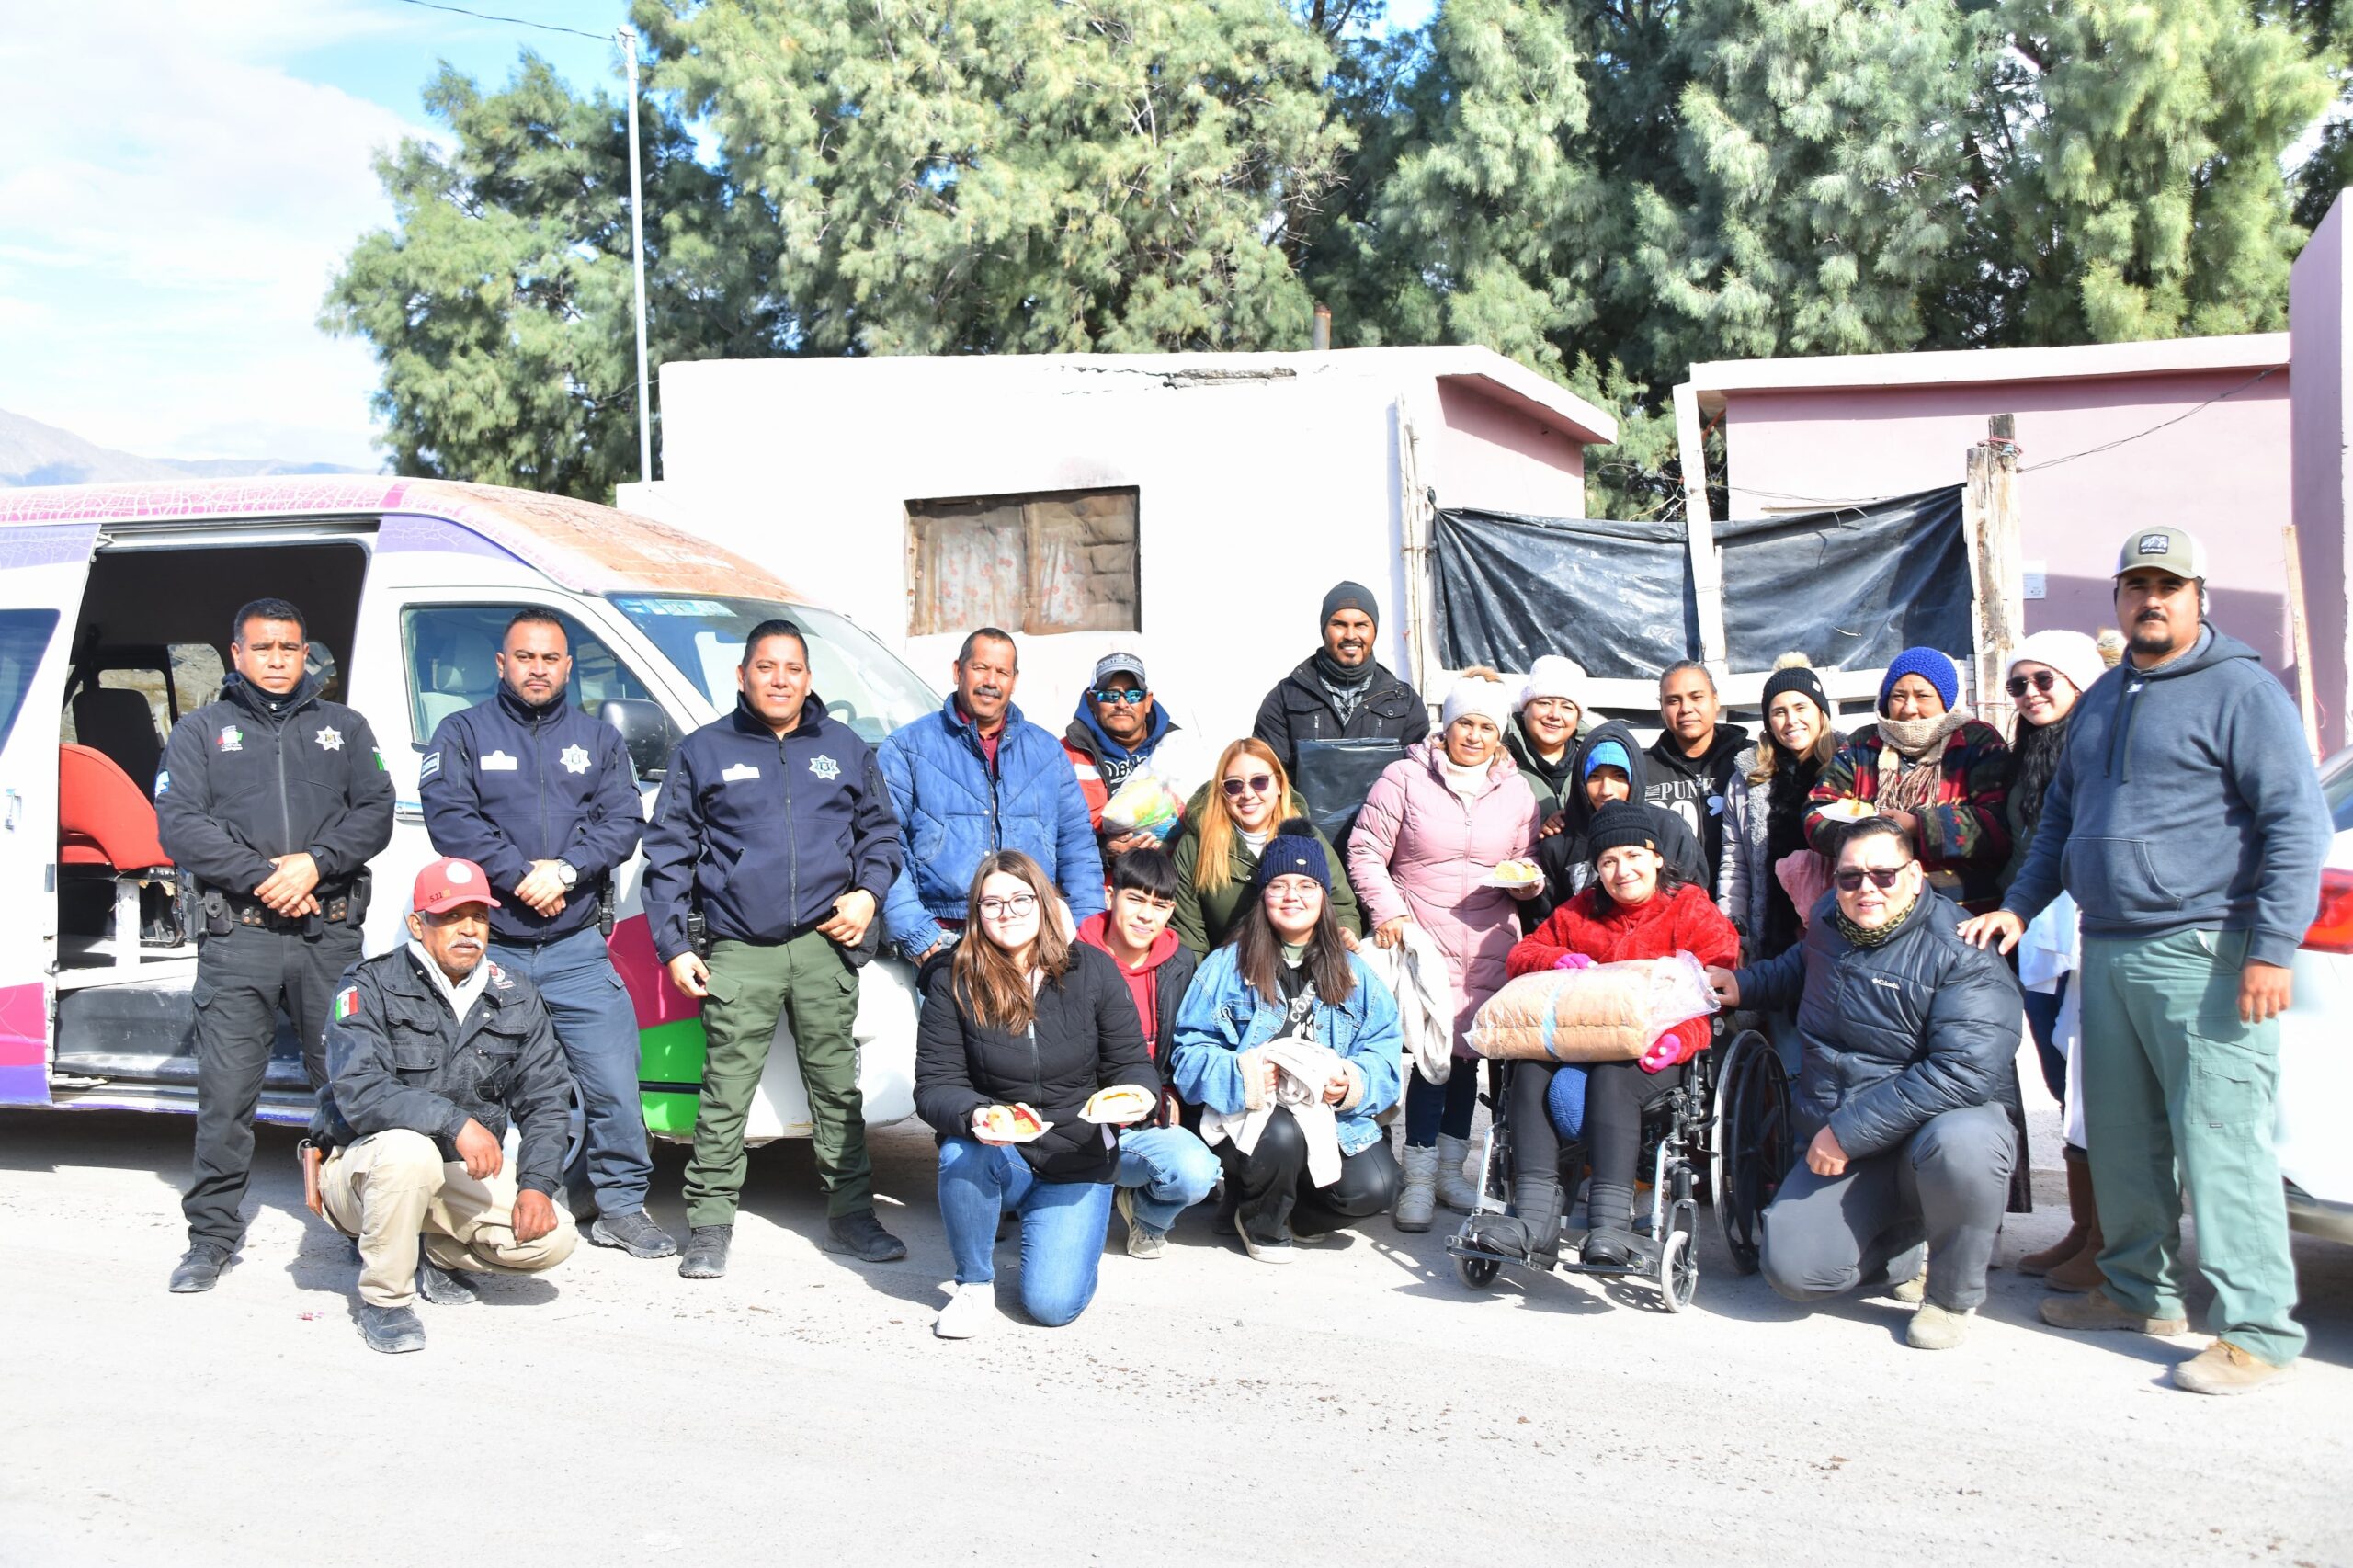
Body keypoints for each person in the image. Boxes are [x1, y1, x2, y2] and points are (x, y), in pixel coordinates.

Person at [1962, 528, 2331, 1395]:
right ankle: (2138, 1291)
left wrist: (2270, 949)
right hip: (2111, 946)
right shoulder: (2107, 697)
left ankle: (2257, 1330)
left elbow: (2296, 827)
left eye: (2168, 586)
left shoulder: (2241, 690)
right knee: (2122, 1140)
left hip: (2209, 948)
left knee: (2221, 1146)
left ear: (2199, 596)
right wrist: (2020, 905)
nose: (2151, 601)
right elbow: (2059, 820)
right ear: (2120, 599)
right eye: (2137, 586)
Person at [642, 619, 907, 1279]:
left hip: (825, 943)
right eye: (766, 667)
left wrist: (868, 896)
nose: (779, 679)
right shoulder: (704, 751)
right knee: (725, 1090)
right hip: (739, 947)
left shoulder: (845, 748)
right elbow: (668, 854)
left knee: (836, 1090)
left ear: (809, 678)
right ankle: (707, 1223)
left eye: (792, 668)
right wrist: (674, 945)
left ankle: (852, 1215)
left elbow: (881, 837)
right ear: (742, 675)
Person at [157, 597, 395, 1293]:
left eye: (289, 648)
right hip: (242, 939)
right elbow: (180, 824)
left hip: (329, 934)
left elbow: (375, 811)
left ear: (305, 653)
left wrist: (316, 863)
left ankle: (363, 1226)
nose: (277, 659)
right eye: (263, 648)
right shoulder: (201, 731)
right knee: (227, 1096)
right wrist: (268, 879)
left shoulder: (345, 727)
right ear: (237, 653)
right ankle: (211, 1239)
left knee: (349, 1085)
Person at [1714, 818, 2025, 1351]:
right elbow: (1801, 966)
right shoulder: (1829, 920)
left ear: (1915, 874)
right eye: (1851, 877)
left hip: (1927, 1135)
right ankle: (1898, 1246)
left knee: (1966, 1146)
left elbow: (1965, 1072)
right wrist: (1740, 985)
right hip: (1850, 1139)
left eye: (1884, 874)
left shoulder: (1964, 951)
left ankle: (1950, 1297)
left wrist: (1846, 1133)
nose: (1867, 889)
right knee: (1793, 1271)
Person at [419, 608, 671, 1260]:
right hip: (490, 949)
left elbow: (622, 821)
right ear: (501, 664)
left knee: (614, 1083)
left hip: (576, 947)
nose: (538, 668)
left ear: (568, 666)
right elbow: (451, 820)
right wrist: (516, 876)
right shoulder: (462, 733)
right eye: (525, 657)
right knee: (465, 1086)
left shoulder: (598, 740)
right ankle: (456, 1213)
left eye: (551, 658)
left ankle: (619, 1207)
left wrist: (564, 871)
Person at [312, 857, 579, 1353]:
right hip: (362, 1174)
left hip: (452, 1177)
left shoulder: (516, 994)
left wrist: (538, 1184)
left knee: (553, 1237)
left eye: (478, 916)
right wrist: (456, 1123)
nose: (468, 930)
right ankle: (386, 1300)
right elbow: (360, 1092)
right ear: (418, 924)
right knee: (407, 1152)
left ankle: (432, 1251)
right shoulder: (368, 985)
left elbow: (545, 1100)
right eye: (451, 916)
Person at [915, 852, 1160, 1337]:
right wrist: (977, 1116)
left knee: (1052, 1306)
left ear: (1045, 903)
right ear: (976, 912)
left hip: (1078, 1153)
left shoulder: (1092, 970)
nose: (1007, 912)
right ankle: (973, 1284)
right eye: (992, 903)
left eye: (1021, 899)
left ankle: (1060, 1229)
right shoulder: (952, 978)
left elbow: (1132, 1063)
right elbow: (935, 1087)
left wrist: (1139, 1094)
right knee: (960, 1152)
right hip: (1002, 1152)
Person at [1484, 802, 1740, 1267]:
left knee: (1613, 1076)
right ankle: (1533, 1219)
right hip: (1581, 1043)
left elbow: (1713, 986)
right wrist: (1555, 960)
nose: (1622, 871)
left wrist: (1681, 1039)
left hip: (1656, 1050)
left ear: (1657, 857)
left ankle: (1610, 1226)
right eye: (1608, 862)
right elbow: (1522, 955)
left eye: (1633, 857)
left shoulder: (1690, 910)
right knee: (1528, 1069)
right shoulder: (1580, 911)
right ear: (1596, 869)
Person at [1347, 673, 1546, 1232]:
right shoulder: (1405, 778)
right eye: (1465, 724)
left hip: (1487, 941)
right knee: (1430, 1061)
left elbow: (1524, 858)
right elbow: (1364, 849)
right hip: (1423, 937)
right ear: (1447, 726)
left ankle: (1452, 1172)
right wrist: (1388, 911)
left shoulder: (1517, 791)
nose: (1475, 736)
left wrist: (1527, 881)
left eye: (1487, 726)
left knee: (1467, 1059)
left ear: (1500, 733)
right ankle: (1416, 1178)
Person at [1170, 821, 1404, 1262]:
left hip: (1325, 1117)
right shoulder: (1226, 965)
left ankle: (1288, 1212)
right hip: (1248, 1116)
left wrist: (1352, 1083)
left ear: (1323, 896)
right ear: (1263, 896)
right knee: (1280, 1133)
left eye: (1306, 885)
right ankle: (1260, 1221)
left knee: (1378, 1187)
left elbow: (1385, 1055)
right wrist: (1246, 1076)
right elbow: (1189, 1051)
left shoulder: (1356, 974)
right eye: (1278, 885)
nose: (1292, 896)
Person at [1992, 629, 2108, 1290]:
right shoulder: (2025, 752)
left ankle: (2107, 1240)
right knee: (2065, 1086)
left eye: (2045, 681)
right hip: (2036, 936)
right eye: (2019, 684)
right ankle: (2082, 1231)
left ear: (2080, 683)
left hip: (2089, 935)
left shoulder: (2095, 748)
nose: (2031, 694)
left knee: (2096, 1088)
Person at [880, 627, 1104, 966]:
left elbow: (1076, 845)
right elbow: (884, 843)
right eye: (981, 668)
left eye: (1002, 672)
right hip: (948, 938)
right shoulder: (907, 747)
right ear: (958, 671)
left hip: (1033, 937)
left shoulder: (1046, 751)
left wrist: (1087, 932)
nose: (991, 681)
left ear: (1015, 680)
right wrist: (916, 932)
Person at [1073, 846, 1221, 1258]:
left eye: (1160, 905)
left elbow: (1190, 1041)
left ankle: (1147, 1216)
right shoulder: (1069, 956)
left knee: (1196, 1173)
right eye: (1135, 899)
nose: (1145, 915)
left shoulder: (1182, 964)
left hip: (1143, 1123)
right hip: (1074, 1123)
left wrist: (1168, 1088)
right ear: (1109, 896)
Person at [1806, 646, 2010, 909]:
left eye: (1923, 695)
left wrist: (1917, 826)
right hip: (1871, 907)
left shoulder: (1976, 741)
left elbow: (1999, 824)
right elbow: (1816, 815)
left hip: (1959, 908)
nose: (1909, 708)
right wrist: (1872, 832)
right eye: (1898, 696)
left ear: (1945, 699)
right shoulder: (1863, 745)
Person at [1251, 581, 1429, 833]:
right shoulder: (1286, 696)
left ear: (1374, 631)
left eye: (1361, 625)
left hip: (1380, 842)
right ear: (1324, 629)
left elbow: (1420, 780)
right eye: (1339, 624)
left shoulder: (1403, 700)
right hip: (1306, 841)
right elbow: (1265, 774)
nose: (1350, 635)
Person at [1170, 737, 1362, 954]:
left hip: (1302, 967)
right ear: (1222, 792)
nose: (1248, 794)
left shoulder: (1309, 839)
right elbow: (1189, 938)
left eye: (1259, 781)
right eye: (1234, 785)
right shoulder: (1196, 847)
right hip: (1227, 973)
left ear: (1279, 784)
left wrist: (1344, 930)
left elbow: (1341, 906)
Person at [1719, 657, 1843, 963]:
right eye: (1779, 712)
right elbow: (1735, 863)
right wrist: (1733, 929)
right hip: (1775, 932)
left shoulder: (1850, 767)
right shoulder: (1747, 779)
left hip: (1840, 929)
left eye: (1801, 708)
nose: (1791, 721)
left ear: (1820, 711)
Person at [1531, 719, 1706, 913]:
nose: (1606, 790)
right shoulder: (1559, 841)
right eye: (1594, 777)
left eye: (1619, 776)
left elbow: (1693, 905)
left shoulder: (1669, 829)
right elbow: (1546, 918)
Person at [1060, 652, 1213, 860]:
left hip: (1173, 885)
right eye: (1110, 695)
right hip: (1101, 887)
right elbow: (1054, 835)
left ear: (1148, 701)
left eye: (1133, 695)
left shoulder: (1180, 749)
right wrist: (1104, 851)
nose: (1122, 704)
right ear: (1091, 700)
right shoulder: (1064, 755)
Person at [1647, 661, 1749, 889]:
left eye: (1696, 697)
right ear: (1661, 709)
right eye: (1673, 700)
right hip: (1671, 910)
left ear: (1715, 700)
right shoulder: (1640, 769)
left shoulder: (1753, 759)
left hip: (1744, 908)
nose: (1685, 708)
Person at [1501, 655, 1592, 818]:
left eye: (1567, 707)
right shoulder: (1497, 756)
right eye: (1545, 703)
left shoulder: (1596, 760)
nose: (1555, 715)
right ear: (1525, 708)